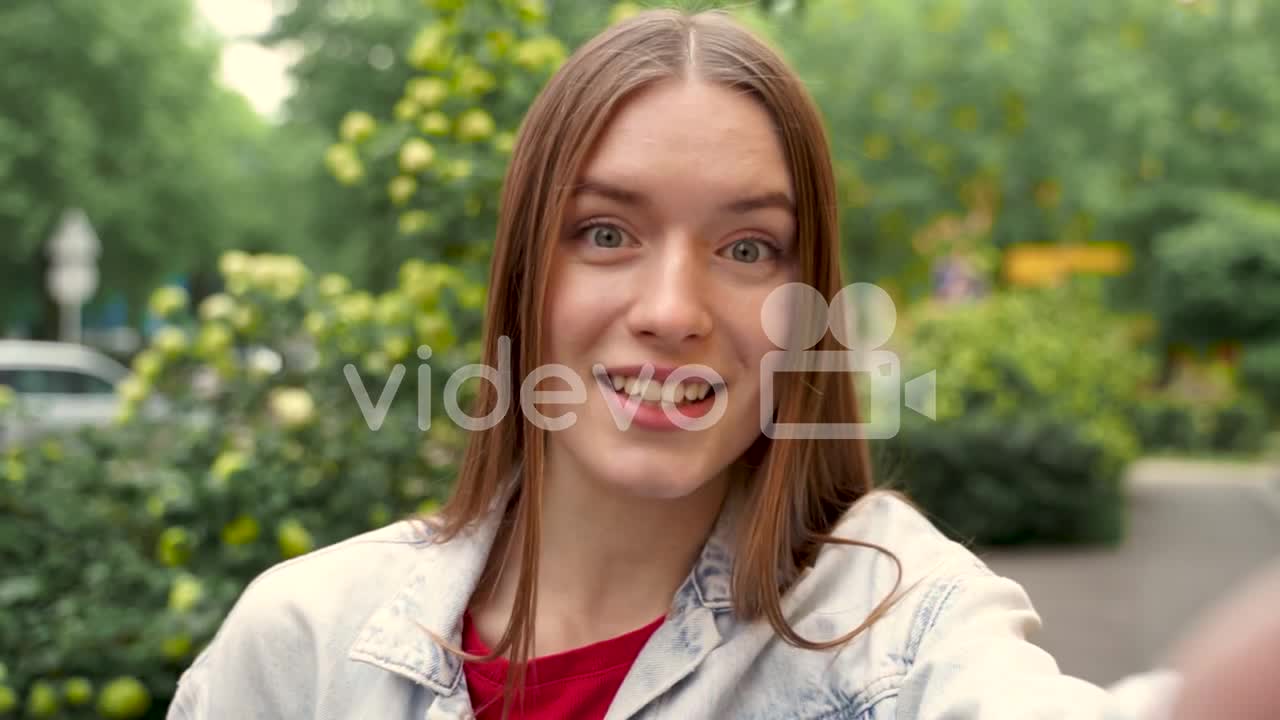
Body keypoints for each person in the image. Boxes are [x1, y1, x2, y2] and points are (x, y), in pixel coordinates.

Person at [167, 8, 1280, 719]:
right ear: (521, 275)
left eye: (747, 248)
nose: (671, 309)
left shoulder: (894, 622)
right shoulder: (301, 643)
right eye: (605, 231)